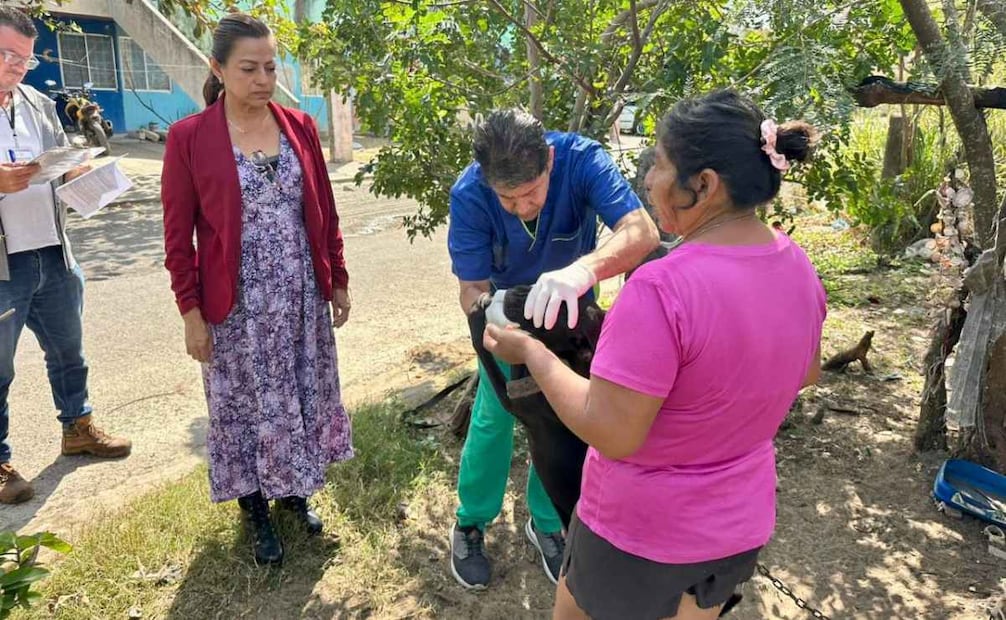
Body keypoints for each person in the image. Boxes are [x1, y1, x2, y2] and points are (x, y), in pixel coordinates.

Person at [484, 90, 825, 619]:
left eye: (661, 165)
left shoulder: (662, 288)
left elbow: (612, 430)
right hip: (737, 525)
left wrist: (531, 352)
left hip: (640, 534)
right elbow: (804, 373)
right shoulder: (797, 266)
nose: (648, 179)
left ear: (704, 185)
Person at [161, 13, 353, 566]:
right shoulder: (190, 139)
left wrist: (335, 278)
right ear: (217, 69)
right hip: (236, 307)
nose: (263, 78)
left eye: (270, 67)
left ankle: (293, 491)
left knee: (296, 391)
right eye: (248, 68)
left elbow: (324, 212)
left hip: (297, 297)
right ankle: (254, 508)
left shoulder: (299, 127)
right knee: (242, 407)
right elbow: (178, 239)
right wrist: (191, 314)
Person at [447, 108, 659, 589]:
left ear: (549, 159)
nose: (522, 208)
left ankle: (547, 522)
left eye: (532, 194)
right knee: (494, 418)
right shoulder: (469, 194)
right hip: (508, 320)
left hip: (572, 319)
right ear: (486, 180)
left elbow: (641, 230)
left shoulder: (583, 161)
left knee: (564, 419)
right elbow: (471, 287)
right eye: (508, 199)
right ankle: (471, 521)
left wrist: (581, 272)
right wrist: (491, 311)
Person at [0, 6, 131, 506]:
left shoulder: (36, 102)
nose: (16, 67)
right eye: (7, 55)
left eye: (25, 60)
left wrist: (79, 176)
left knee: (68, 351)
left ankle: (78, 428)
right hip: (3, 264)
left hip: (52, 251)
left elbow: (57, 165)